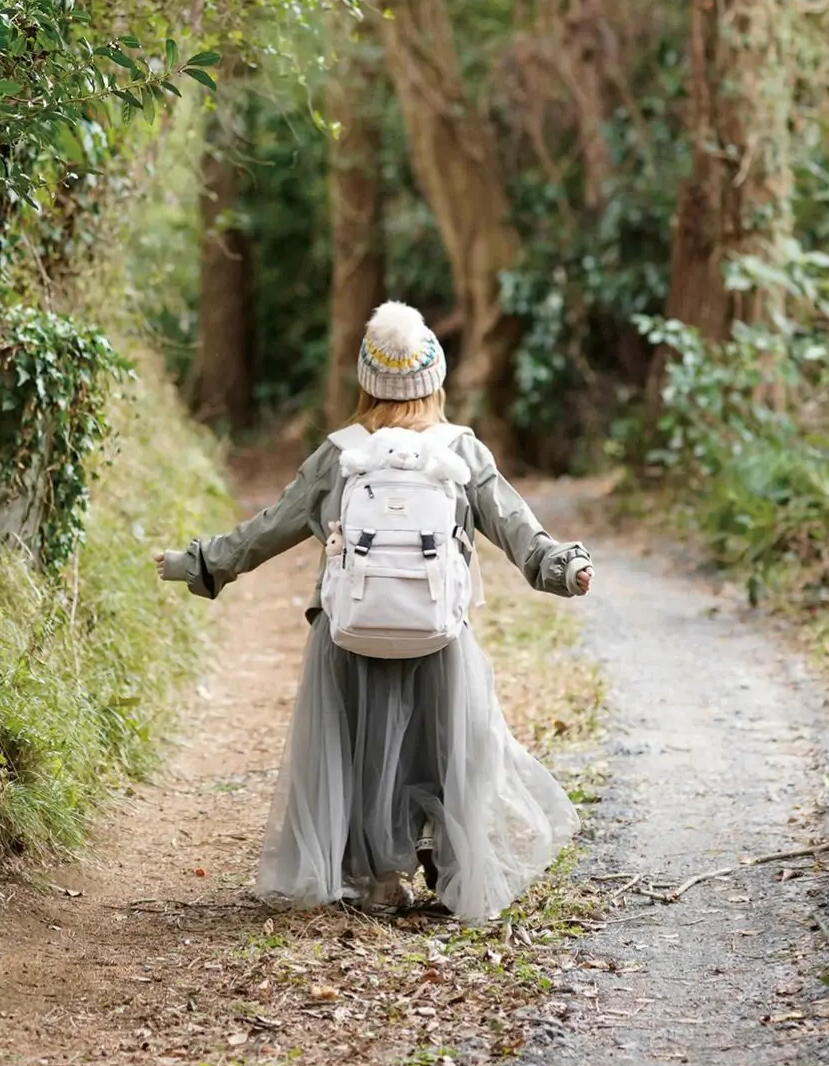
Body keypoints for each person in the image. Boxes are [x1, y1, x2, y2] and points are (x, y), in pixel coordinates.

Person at [156, 302, 592, 922]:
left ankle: (377, 878)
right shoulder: (459, 450)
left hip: (350, 631)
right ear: (434, 379)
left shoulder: (340, 454)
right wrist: (561, 566)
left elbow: (269, 528)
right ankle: (450, 863)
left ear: (365, 382)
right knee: (445, 749)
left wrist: (199, 563)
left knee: (358, 752)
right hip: (440, 634)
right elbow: (515, 524)